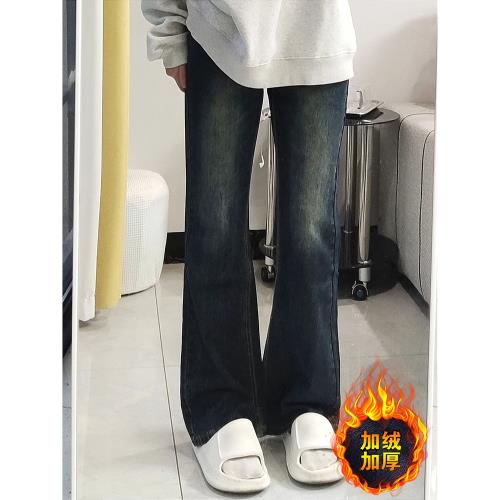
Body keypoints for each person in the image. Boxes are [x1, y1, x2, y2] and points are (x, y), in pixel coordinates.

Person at [141, 0, 357, 493]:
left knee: (311, 232)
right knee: (215, 227)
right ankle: (222, 405)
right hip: (220, 28)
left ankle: (306, 400)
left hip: (318, 29)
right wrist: (169, 31)